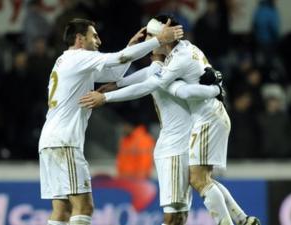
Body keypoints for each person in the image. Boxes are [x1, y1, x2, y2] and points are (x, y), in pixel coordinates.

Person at [80, 15, 260, 225]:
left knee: (182, 206)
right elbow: (150, 74)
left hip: (181, 140)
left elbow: (150, 83)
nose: (146, 42)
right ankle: (242, 220)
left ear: (163, 38)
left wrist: (107, 96)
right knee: (199, 185)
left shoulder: (175, 63)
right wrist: (116, 84)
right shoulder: (179, 53)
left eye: (150, 37)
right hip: (196, 126)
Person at [38, 18, 183, 225]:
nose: (99, 41)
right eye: (94, 36)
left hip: (50, 141)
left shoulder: (67, 61)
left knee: (61, 210)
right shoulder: (78, 58)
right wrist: (158, 40)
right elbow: (117, 58)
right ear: (79, 39)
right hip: (65, 142)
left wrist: (131, 48)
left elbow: (114, 71)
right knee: (84, 206)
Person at [96, 51, 220, 224]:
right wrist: (216, 88)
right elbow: (141, 86)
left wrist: (115, 86)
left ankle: (237, 218)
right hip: (173, 149)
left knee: (180, 215)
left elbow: (136, 81)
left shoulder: (169, 70)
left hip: (180, 147)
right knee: (174, 215)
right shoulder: (161, 72)